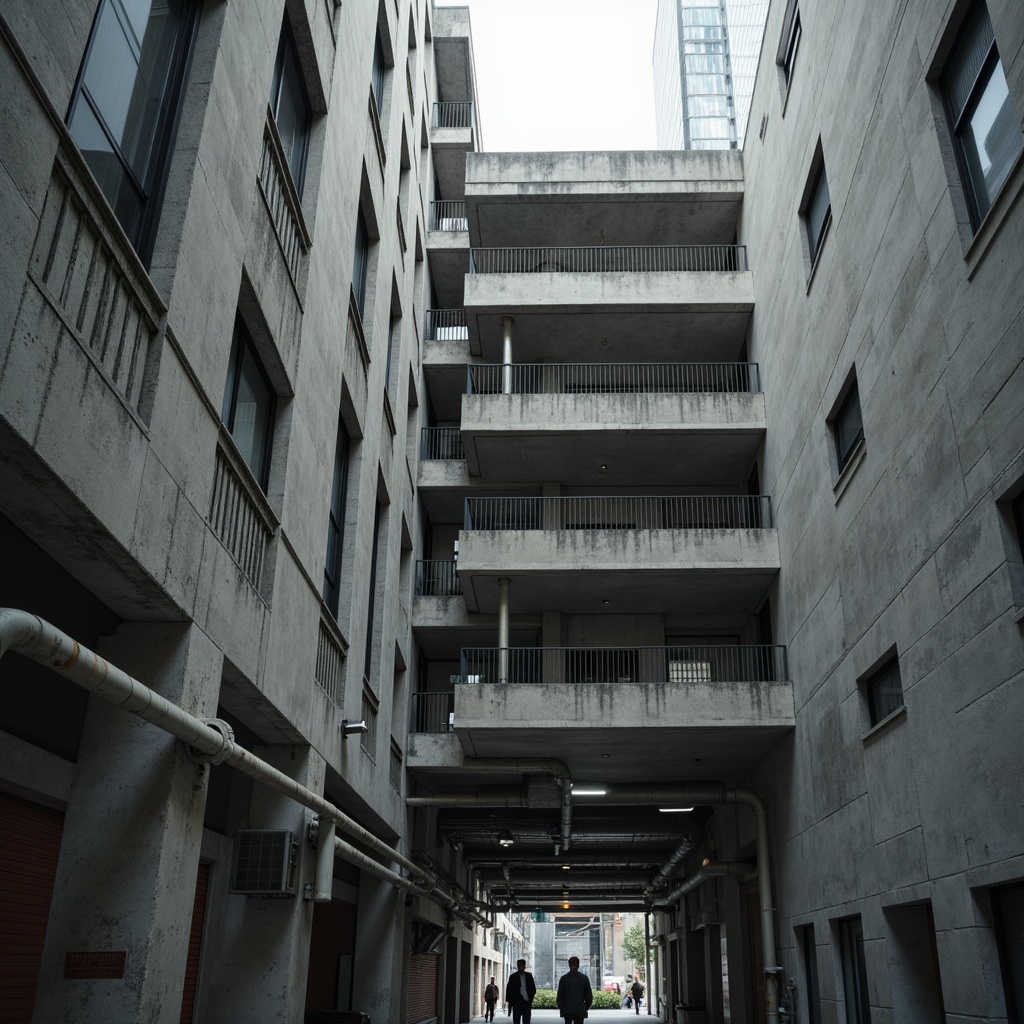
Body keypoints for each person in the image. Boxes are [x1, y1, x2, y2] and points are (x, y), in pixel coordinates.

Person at [555, 956, 593, 1024]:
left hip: (567, 1009)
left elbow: (560, 995)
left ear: (569, 965)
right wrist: (585, 1007)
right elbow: (589, 996)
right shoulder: (584, 978)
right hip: (579, 1009)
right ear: (578, 965)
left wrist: (562, 1007)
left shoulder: (564, 979)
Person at [505, 958, 537, 1024]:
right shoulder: (513, 977)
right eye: (520, 965)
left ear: (525, 966)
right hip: (517, 1003)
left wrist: (530, 999)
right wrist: (510, 1004)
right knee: (516, 1020)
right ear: (517, 966)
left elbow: (533, 989)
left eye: (523, 965)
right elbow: (509, 990)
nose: (521, 967)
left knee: (527, 1021)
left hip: (526, 1003)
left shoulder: (529, 976)